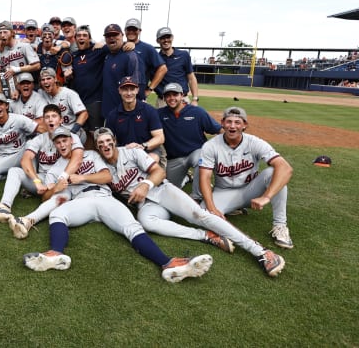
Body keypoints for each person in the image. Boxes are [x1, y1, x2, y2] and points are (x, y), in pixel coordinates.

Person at [21, 128, 213, 283]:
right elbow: (46, 199)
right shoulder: (56, 168)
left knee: (132, 227)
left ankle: (168, 263)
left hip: (104, 198)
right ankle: (56, 254)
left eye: (65, 140)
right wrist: (55, 188)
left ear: (72, 141)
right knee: (57, 215)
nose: (62, 144)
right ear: (55, 145)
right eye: (58, 141)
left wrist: (82, 177)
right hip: (82, 202)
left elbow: (107, 176)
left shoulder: (90, 155)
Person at [94, 127, 286, 277]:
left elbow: (159, 172)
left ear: (114, 141)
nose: (105, 145)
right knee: (147, 222)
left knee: (200, 215)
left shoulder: (131, 152)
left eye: (108, 141)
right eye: (100, 143)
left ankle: (261, 252)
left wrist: (145, 184)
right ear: (97, 147)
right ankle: (206, 235)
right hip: (146, 205)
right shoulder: (101, 167)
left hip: (161, 189)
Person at [0, 104, 83, 237]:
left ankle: (27, 220)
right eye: (47, 117)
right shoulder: (40, 138)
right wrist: (37, 181)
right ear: (43, 121)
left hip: (63, 183)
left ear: (61, 120)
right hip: (43, 181)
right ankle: (4, 207)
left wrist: (62, 178)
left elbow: (78, 158)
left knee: (62, 196)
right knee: (15, 171)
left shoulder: (70, 137)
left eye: (54, 116)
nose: (50, 120)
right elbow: (25, 160)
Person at [198, 106, 295, 250]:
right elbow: (205, 178)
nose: (232, 126)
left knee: (273, 172)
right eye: (229, 121)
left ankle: (280, 226)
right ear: (222, 123)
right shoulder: (211, 146)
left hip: (252, 191)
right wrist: (212, 208)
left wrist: (266, 197)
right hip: (224, 192)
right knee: (203, 214)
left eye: (237, 122)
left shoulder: (254, 142)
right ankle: (232, 208)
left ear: (245, 125)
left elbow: (286, 168)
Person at [158, 82, 221, 201]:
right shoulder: (159, 114)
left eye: (175, 94)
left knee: (201, 158)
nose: (171, 98)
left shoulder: (197, 112)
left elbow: (217, 129)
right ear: (164, 98)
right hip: (174, 158)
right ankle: (186, 178)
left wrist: (238, 142)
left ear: (182, 95)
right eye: (168, 95)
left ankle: (198, 197)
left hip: (195, 153)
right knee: (169, 190)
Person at [0, 93, 43, 183]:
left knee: (30, 144)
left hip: (20, 154)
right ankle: (10, 174)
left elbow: (39, 128)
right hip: (2, 157)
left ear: (6, 106)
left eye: (1, 104)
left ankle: (33, 177)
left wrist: (56, 133)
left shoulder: (18, 119)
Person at [105, 76, 165, 166]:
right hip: (124, 151)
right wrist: (121, 150)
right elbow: (108, 140)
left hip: (147, 150)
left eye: (132, 89)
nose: (129, 93)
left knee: (150, 160)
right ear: (119, 91)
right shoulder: (113, 115)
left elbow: (160, 138)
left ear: (137, 90)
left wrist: (142, 146)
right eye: (125, 89)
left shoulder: (149, 110)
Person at [149, 27, 199, 107]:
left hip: (182, 100)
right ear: (158, 40)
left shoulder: (183, 55)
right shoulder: (154, 59)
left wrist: (195, 99)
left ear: (172, 38)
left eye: (168, 37)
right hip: (163, 101)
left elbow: (191, 78)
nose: (166, 40)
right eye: (162, 38)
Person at [39, 67, 88, 143]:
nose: (45, 82)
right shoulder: (41, 93)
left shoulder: (68, 93)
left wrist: (72, 132)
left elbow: (84, 114)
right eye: (43, 80)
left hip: (71, 131)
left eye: (48, 78)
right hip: (55, 135)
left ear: (55, 79)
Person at [101, 23, 140, 118]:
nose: (111, 38)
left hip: (124, 110)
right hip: (108, 108)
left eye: (115, 35)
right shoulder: (106, 53)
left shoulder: (129, 56)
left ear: (122, 35)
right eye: (108, 36)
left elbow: (134, 85)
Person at [123, 18, 167, 101]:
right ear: (125, 31)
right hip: (120, 92)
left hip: (138, 93)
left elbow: (163, 68)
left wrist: (150, 89)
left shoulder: (147, 48)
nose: (131, 31)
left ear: (139, 31)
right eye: (129, 29)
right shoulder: (120, 46)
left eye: (134, 29)